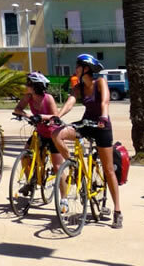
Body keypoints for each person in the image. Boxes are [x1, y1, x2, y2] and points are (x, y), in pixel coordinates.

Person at [51, 53, 122, 228]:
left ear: (86, 68)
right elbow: (69, 103)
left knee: (108, 170)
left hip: (102, 126)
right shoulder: (79, 87)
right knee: (56, 134)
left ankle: (117, 211)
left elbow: (105, 101)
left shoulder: (100, 82)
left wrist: (104, 116)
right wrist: (57, 116)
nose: (75, 69)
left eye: (78, 66)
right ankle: (73, 163)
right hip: (86, 124)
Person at [13, 72, 62, 192]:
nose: (26, 86)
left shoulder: (48, 98)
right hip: (39, 132)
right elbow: (17, 109)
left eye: (29, 84)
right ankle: (30, 182)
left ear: (36, 86)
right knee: (25, 156)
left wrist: (41, 117)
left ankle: (63, 197)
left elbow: (55, 116)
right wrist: (28, 115)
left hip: (53, 133)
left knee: (57, 166)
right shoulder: (28, 97)